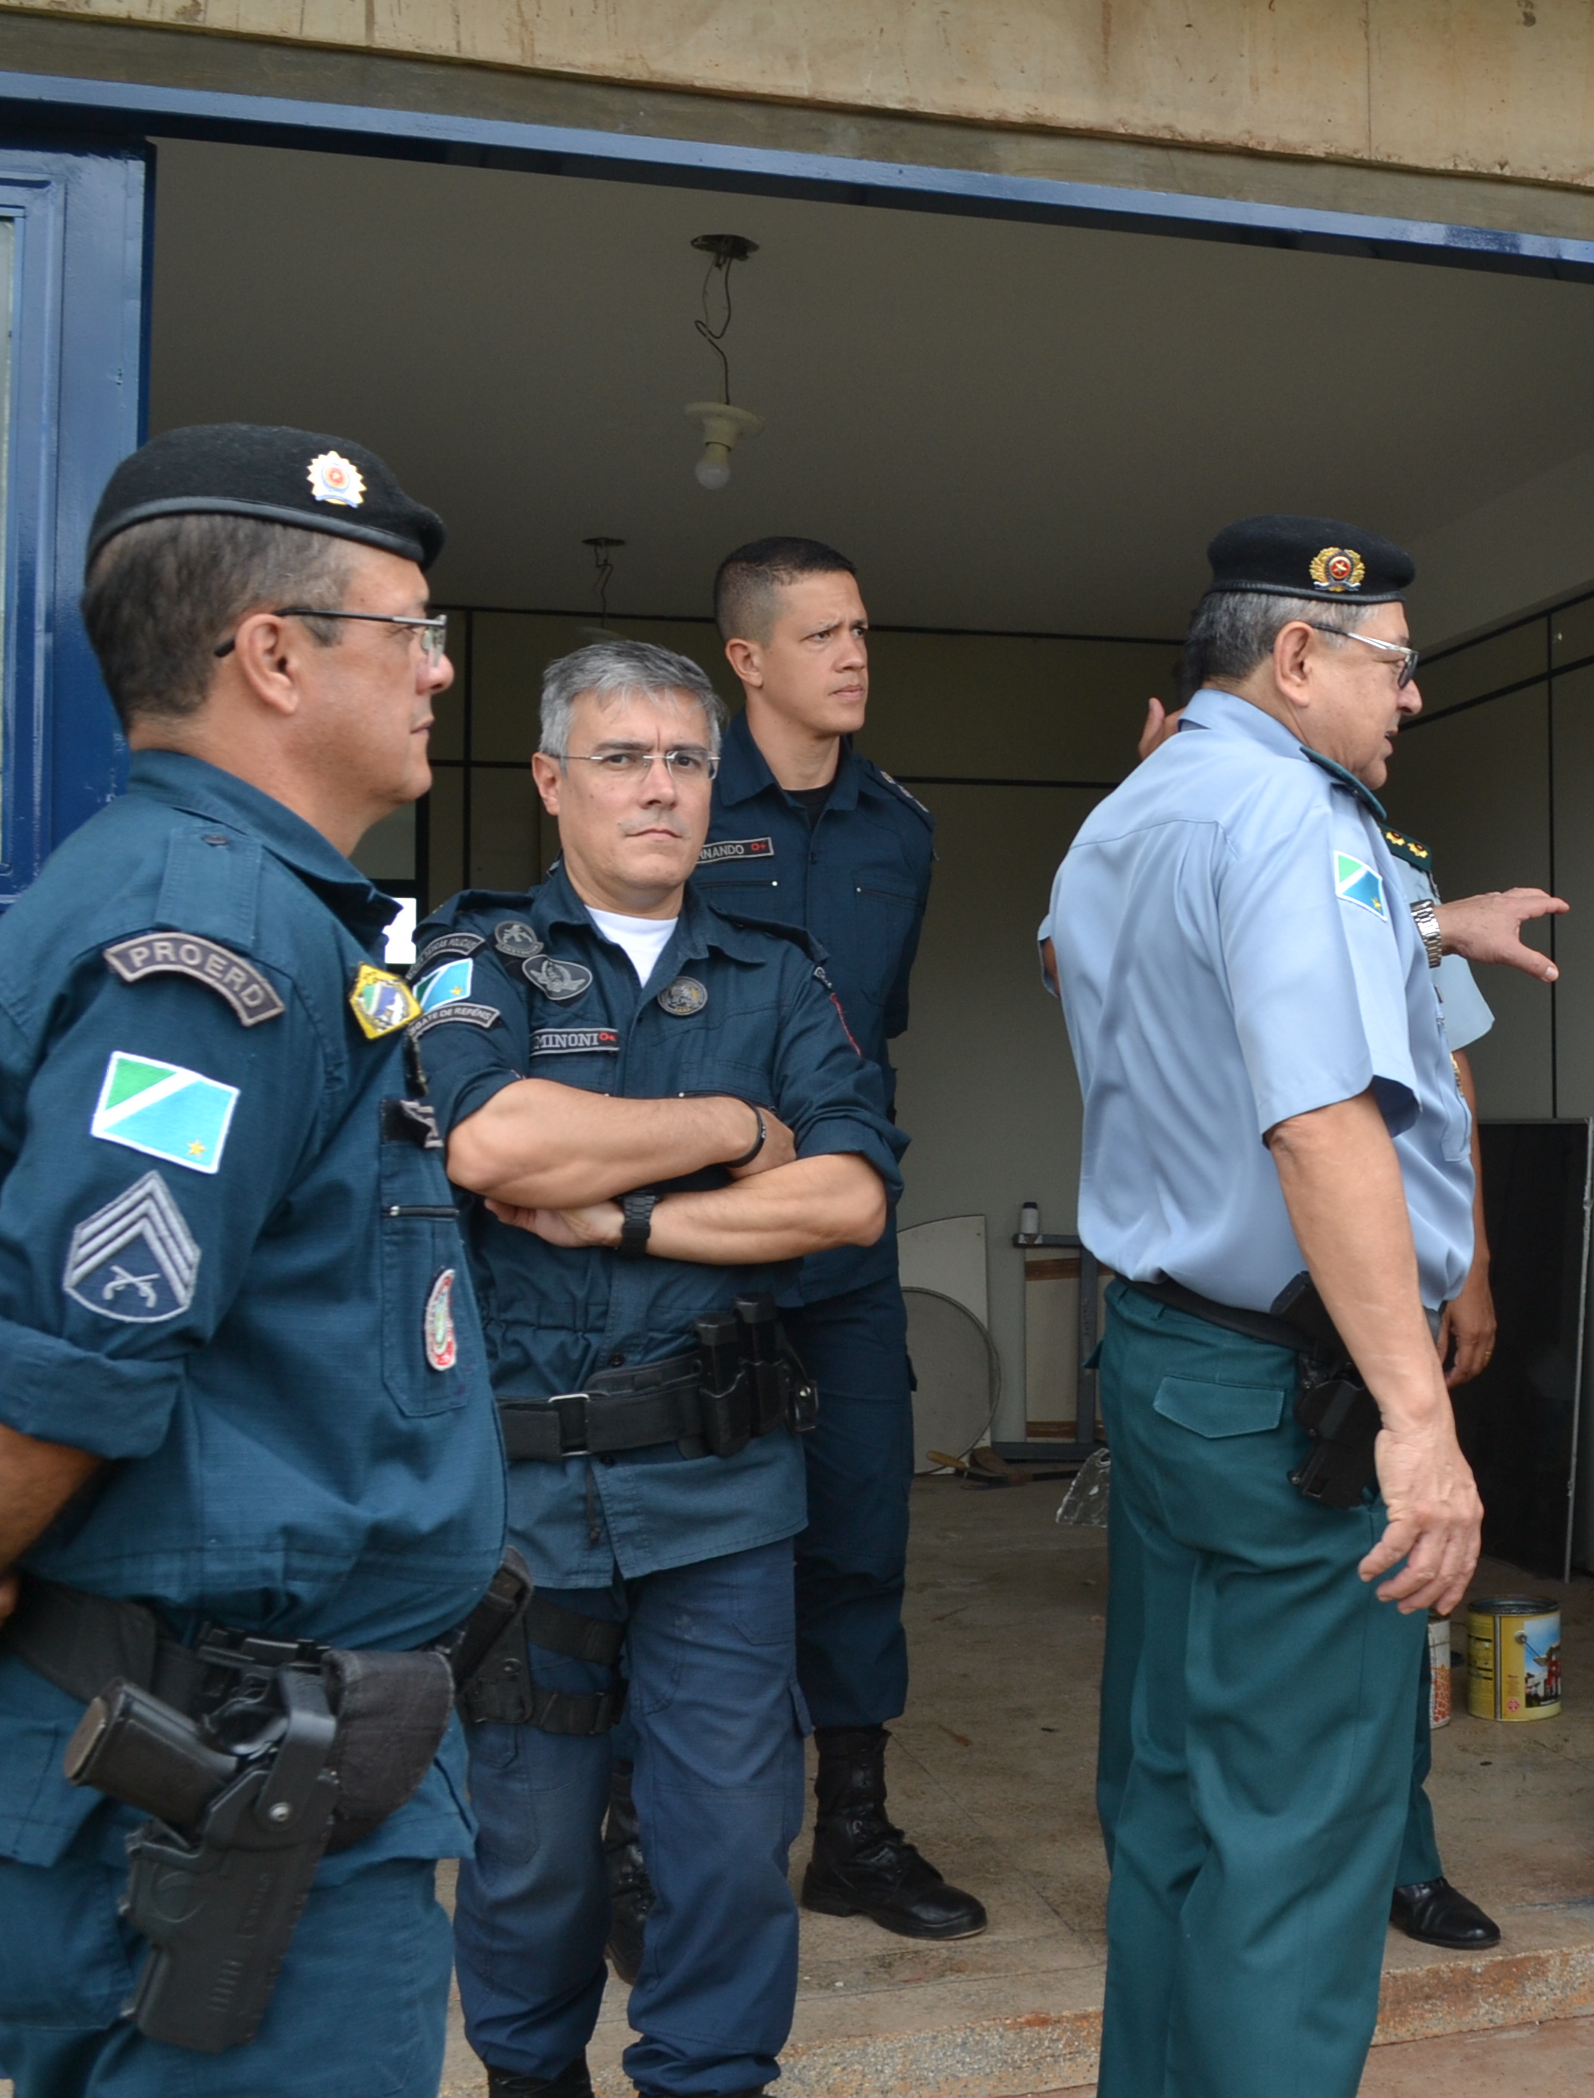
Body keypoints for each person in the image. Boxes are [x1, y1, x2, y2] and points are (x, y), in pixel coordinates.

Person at [0, 424, 507, 2094]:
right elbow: (55, 1368)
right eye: (409, 629)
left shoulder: (234, 906)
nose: (438, 669)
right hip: (215, 1800)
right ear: (273, 654)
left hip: (232, 1771)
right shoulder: (212, 944)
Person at [418, 639, 901, 2098]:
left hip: (723, 1490)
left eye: (686, 761)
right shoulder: (477, 958)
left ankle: (710, 2076)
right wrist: (732, 1129)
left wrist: (624, 1212)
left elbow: (847, 1198)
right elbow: (492, 1141)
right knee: (530, 1850)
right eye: (623, 759)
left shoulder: (777, 971)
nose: (660, 790)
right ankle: (529, 2079)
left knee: (733, 1840)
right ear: (551, 780)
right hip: (527, 1504)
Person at [1048, 515, 1485, 2098]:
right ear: (1297, 656)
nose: (1412, 698)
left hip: (1167, 1355)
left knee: (1174, 1802)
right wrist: (1419, 1420)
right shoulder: (1298, 817)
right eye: (1395, 665)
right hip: (1287, 1400)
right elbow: (1318, 1123)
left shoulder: (1134, 808)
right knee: (1298, 1842)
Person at [1116, 692, 1565, 1956]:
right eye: (1392, 668)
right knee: (1195, 1644)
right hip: (1235, 1317)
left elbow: (1445, 1073)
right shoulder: (1158, 832)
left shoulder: (1377, 857)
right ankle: (1190, 1878)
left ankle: (1400, 1858)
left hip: (1368, 1311)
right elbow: (1084, 964)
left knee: (1385, 1589)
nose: (1407, 699)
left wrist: (1471, 1263)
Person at [644, 535, 982, 1946]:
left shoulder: (899, 828)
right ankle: (644, 1849)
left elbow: (868, 1040)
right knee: (664, 1543)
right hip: (682, 1245)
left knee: (858, 1532)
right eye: (823, 634)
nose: (854, 656)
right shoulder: (667, 800)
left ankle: (852, 1831)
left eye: (862, 631)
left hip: (840, 1254)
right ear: (746, 659)